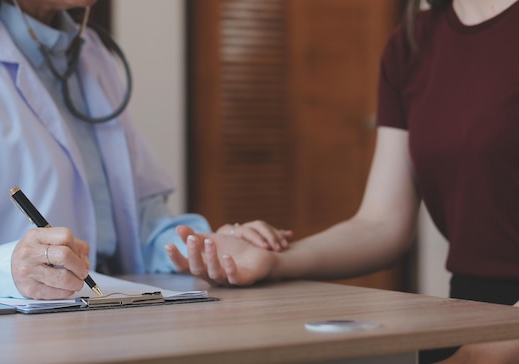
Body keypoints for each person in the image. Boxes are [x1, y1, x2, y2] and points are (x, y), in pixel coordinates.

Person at [165, 0, 519, 362]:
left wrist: (489, 353)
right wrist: (274, 261)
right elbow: (380, 223)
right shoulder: (412, 42)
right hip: (470, 316)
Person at [0, 0, 292, 300]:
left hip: (102, 318)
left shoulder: (91, 56)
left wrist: (203, 247)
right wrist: (4, 267)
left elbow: (137, 224)